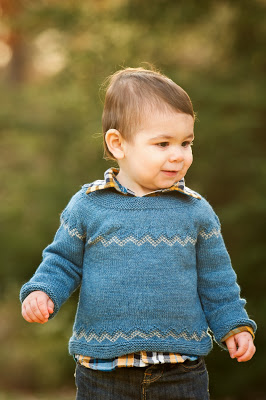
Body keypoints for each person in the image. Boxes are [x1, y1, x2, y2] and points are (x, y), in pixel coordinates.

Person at [20, 67, 256, 400]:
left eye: (185, 143)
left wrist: (234, 324)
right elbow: (63, 263)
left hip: (181, 373)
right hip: (103, 373)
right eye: (162, 143)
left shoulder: (195, 211)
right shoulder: (89, 206)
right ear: (118, 144)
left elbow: (216, 279)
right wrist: (43, 291)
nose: (178, 154)